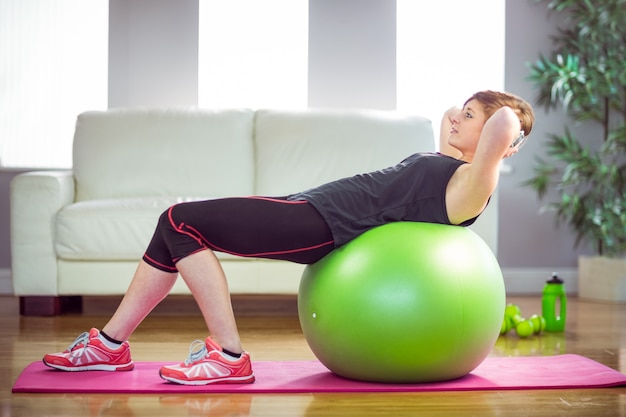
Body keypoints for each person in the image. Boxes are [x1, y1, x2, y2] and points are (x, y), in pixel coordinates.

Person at [43, 90, 535, 385]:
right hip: (309, 208)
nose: (455, 117)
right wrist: (465, 115)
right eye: (463, 111)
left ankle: (229, 356)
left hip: (319, 221)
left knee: (178, 219)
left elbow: (505, 125)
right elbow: (457, 115)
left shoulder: (471, 185)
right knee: (167, 234)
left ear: (499, 143)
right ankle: (110, 344)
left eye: (471, 117)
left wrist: (507, 124)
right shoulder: (451, 166)